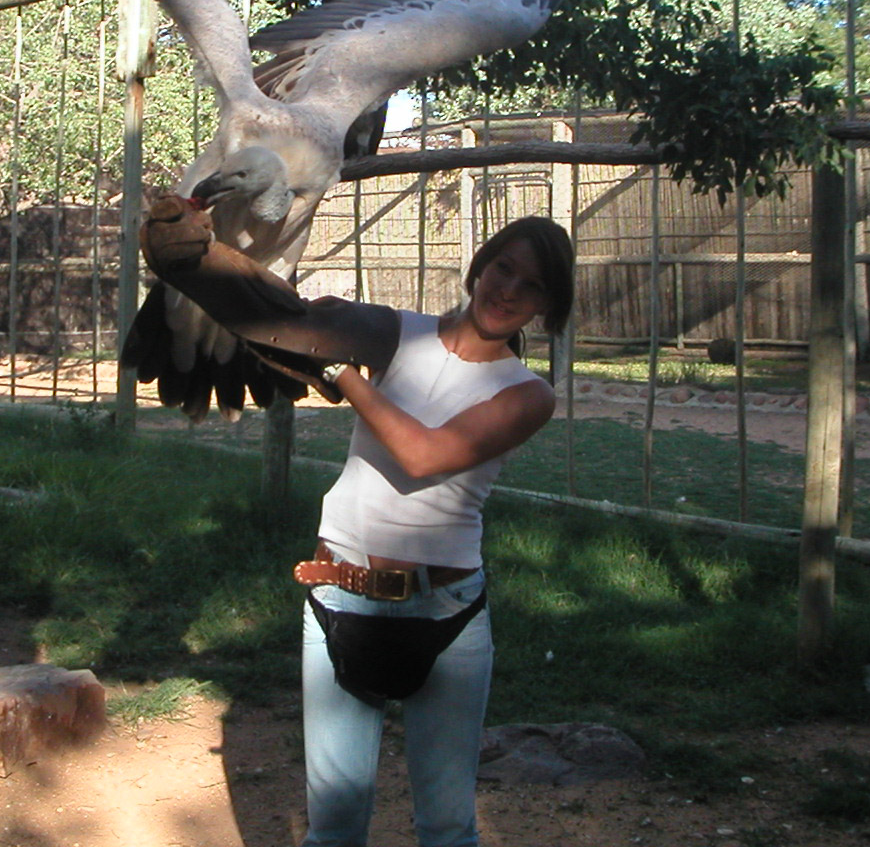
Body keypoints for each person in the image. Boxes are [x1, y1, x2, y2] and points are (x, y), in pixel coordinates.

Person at [140, 196, 574, 847]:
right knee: (335, 827)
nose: (508, 289)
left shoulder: (527, 393)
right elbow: (281, 323)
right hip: (338, 592)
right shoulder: (398, 332)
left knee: (448, 827)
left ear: (547, 304)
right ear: (480, 264)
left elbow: (425, 453)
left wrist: (346, 375)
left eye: (531, 284)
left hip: (447, 616)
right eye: (503, 267)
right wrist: (193, 261)